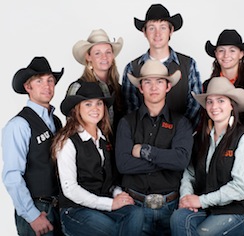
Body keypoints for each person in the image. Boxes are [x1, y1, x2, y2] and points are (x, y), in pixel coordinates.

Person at [170, 77, 244, 236]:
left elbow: (240, 188)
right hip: (209, 209)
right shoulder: (200, 138)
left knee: (202, 233)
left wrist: (200, 200)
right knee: (178, 218)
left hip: (238, 211)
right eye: (210, 102)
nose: (214, 106)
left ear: (231, 105)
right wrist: (186, 197)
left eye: (220, 101)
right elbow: (189, 173)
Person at [52, 81, 143, 236]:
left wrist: (118, 194)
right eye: (88, 104)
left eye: (99, 104)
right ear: (77, 109)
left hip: (101, 206)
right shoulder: (67, 142)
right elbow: (70, 189)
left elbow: (110, 180)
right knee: (113, 229)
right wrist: (110, 204)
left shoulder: (103, 139)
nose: (95, 109)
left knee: (136, 214)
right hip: (75, 210)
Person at [115, 59, 194, 235]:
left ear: (168, 86)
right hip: (135, 208)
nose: (153, 87)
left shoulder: (181, 123)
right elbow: (123, 164)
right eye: (147, 82)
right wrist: (167, 160)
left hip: (170, 208)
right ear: (140, 88)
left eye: (159, 81)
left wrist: (144, 151)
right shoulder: (126, 123)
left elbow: (181, 161)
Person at [2, 56, 64, 235]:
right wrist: (32, 215)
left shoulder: (57, 121)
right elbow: (12, 175)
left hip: (58, 206)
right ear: (28, 87)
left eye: (50, 80)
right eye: (39, 81)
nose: (47, 86)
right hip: (36, 208)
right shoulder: (19, 125)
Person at [121, 3, 202, 130]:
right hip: (143, 139)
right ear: (144, 32)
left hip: (181, 140)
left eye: (163, 27)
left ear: (171, 30)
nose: (157, 33)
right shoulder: (132, 68)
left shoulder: (189, 64)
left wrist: (178, 133)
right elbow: (130, 109)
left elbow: (195, 105)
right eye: (152, 28)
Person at [67, 28, 125, 140]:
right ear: (88, 57)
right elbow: (72, 125)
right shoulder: (78, 87)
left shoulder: (118, 88)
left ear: (113, 55)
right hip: (91, 151)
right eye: (97, 53)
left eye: (108, 52)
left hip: (116, 150)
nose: (104, 57)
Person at [203, 29, 244, 120]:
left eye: (232, 50)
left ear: (241, 54)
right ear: (216, 54)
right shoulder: (208, 85)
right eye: (221, 50)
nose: (226, 55)